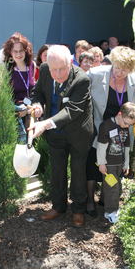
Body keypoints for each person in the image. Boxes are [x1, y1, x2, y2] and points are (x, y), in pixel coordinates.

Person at [29, 45, 96, 227]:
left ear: (71, 62)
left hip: (78, 134)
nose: (58, 74)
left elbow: (72, 110)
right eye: (53, 69)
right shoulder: (44, 70)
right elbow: (39, 92)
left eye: (62, 68)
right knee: (57, 171)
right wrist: (37, 105)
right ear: (46, 65)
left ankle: (78, 210)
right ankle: (58, 206)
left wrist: (45, 123)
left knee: (78, 173)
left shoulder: (81, 79)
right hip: (55, 134)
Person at [87, 46, 135, 217]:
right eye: (117, 67)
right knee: (92, 164)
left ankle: (106, 198)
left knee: (116, 164)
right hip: (99, 127)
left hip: (122, 130)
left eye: (124, 70)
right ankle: (89, 199)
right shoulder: (95, 74)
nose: (119, 72)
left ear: (131, 70)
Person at [97, 102, 135, 223]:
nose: (126, 126)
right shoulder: (106, 125)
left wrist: (126, 164)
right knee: (113, 188)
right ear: (119, 114)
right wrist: (101, 163)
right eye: (126, 123)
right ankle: (110, 212)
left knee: (116, 187)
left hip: (119, 163)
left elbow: (126, 148)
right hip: (108, 164)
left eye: (129, 125)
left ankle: (106, 203)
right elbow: (101, 147)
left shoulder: (125, 127)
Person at [2, 32, 35, 143]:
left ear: (26, 51)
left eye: (21, 50)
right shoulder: (6, 67)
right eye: (15, 51)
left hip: (30, 113)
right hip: (15, 115)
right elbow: (3, 95)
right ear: (10, 52)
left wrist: (30, 107)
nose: (18, 54)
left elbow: (33, 89)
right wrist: (16, 108)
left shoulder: (32, 65)